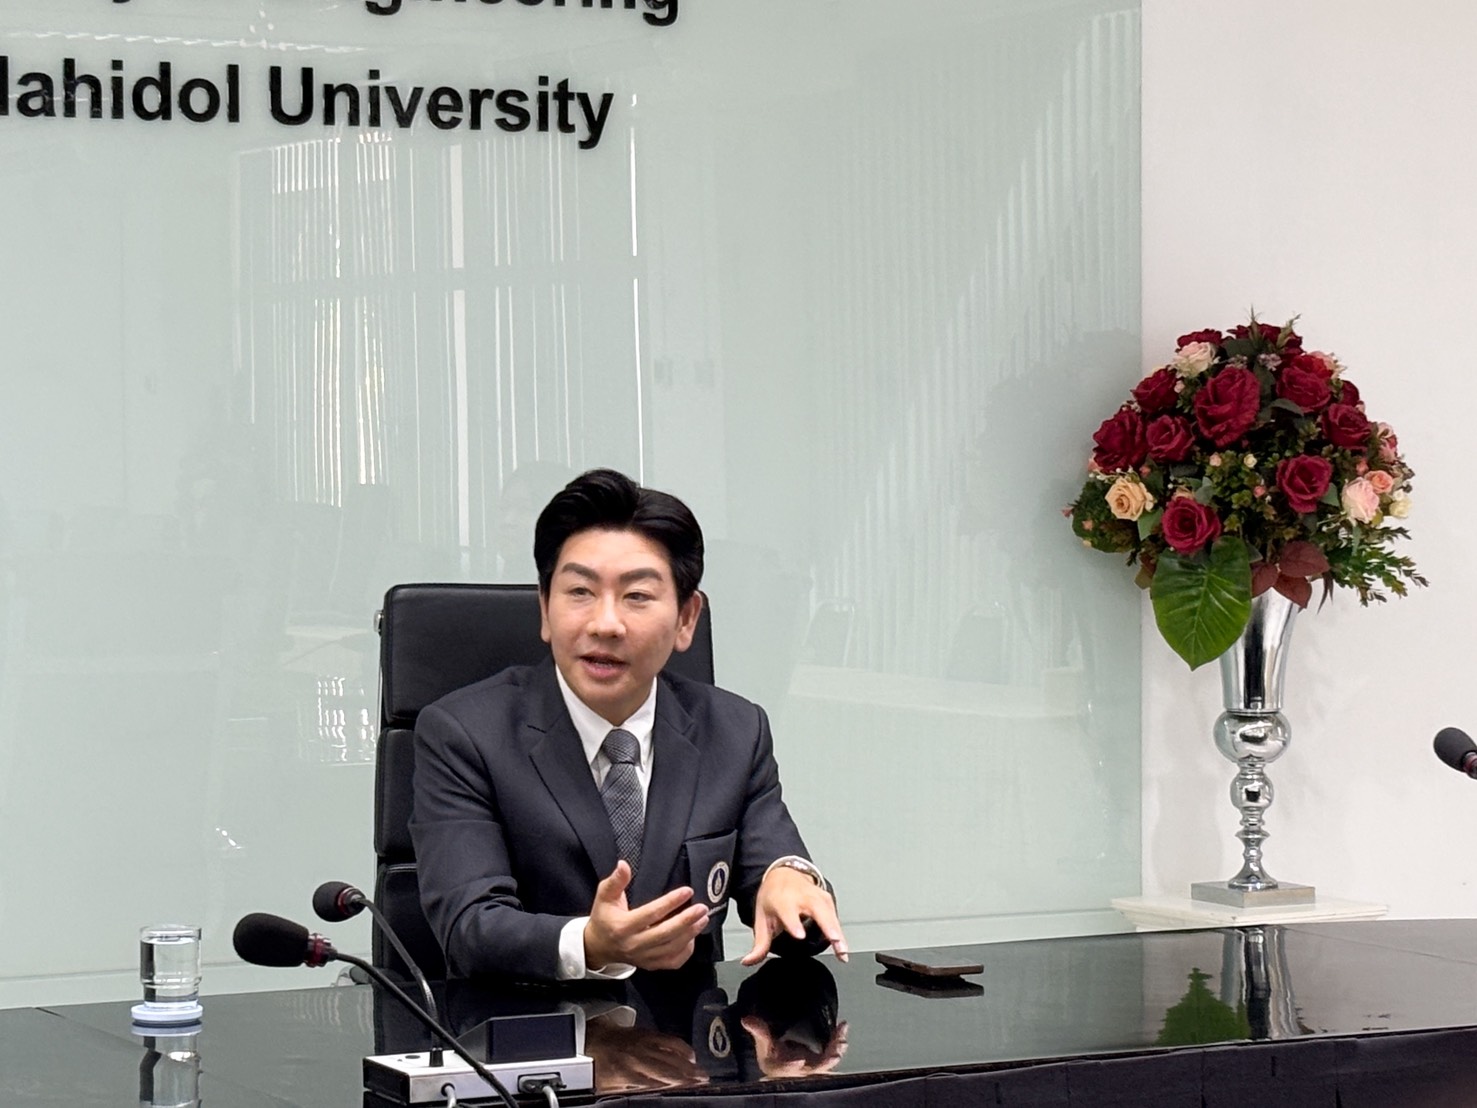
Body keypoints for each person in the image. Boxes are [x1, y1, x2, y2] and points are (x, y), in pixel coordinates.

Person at [411, 468, 847, 981]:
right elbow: (469, 927)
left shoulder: (734, 730)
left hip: (690, 1027)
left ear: (686, 618)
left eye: (637, 596)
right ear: (545, 609)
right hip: (530, 1025)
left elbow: (785, 892)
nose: (605, 623)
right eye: (580, 591)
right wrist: (591, 944)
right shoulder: (464, 735)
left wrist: (789, 880)